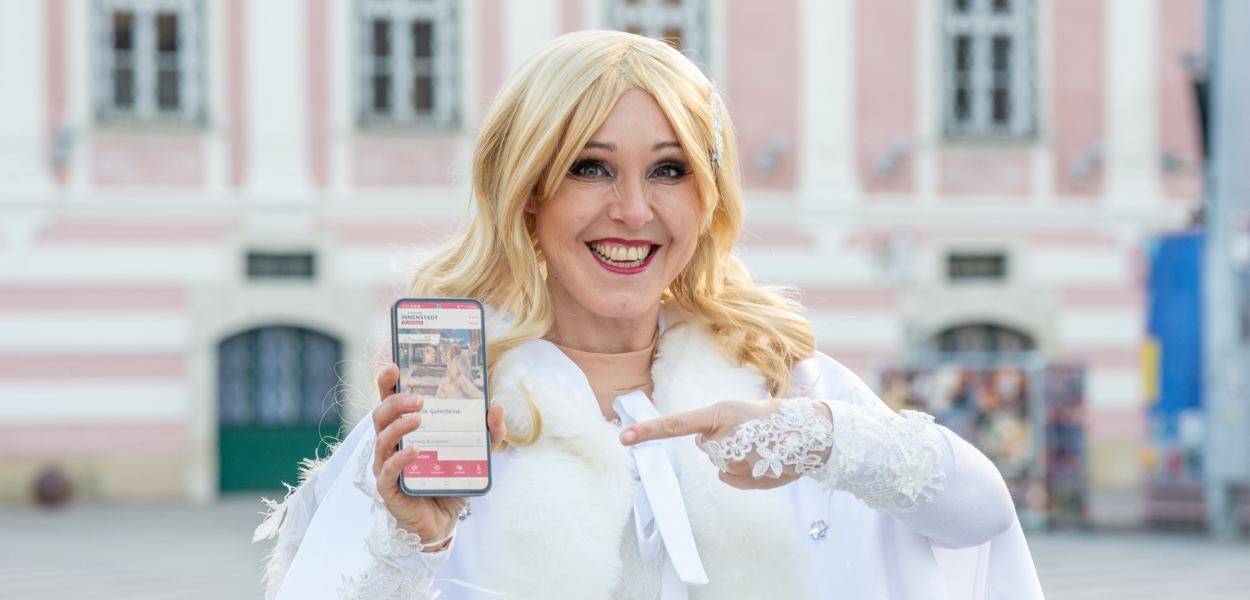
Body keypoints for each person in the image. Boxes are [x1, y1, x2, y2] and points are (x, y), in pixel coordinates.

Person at [255, 31, 1044, 599]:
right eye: (590, 168)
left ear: (706, 201)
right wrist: (414, 546)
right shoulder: (449, 416)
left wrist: (825, 439)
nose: (632, 210)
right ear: (529, 196)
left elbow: (980, 519)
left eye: (668, 170)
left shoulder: (781, 384)